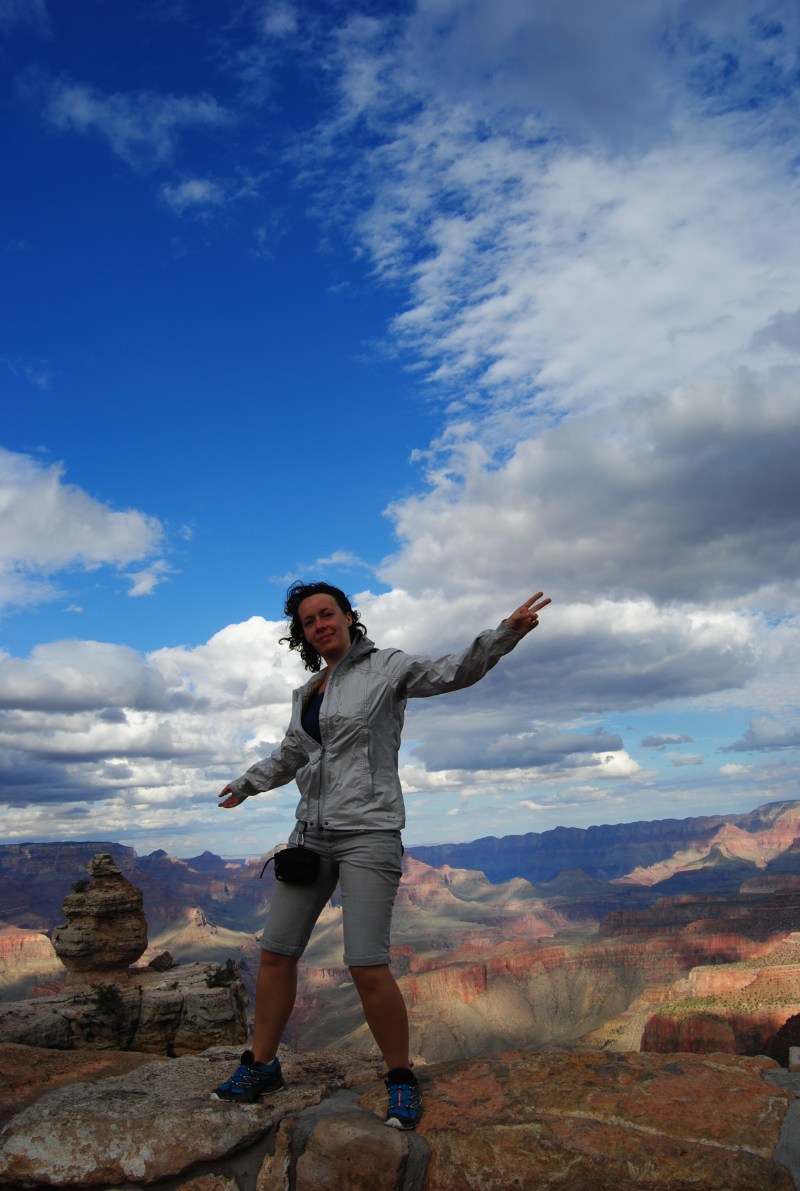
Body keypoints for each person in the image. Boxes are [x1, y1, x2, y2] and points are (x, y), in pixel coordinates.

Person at [211, 580, 551, 1128]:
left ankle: (399, 1078)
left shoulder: (387, 667)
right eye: (308, 621)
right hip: (310, 834)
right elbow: (294, 753)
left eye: (328, 614)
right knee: (276, 954)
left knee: (365, 963)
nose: (320, 625)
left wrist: (503, 635)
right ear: (301, 633)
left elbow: (451, 672)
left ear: (349, 617)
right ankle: (261, 1064)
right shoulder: (310, 692)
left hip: (368, 833)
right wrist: (247, 784)